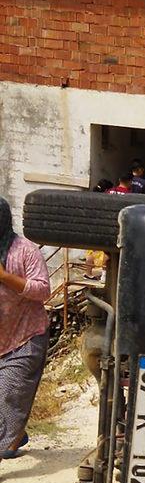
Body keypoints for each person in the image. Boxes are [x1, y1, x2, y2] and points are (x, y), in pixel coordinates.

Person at [0, 197, 51, 460]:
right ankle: (13, 436)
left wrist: (5, 277)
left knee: (6, 397)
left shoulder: (25, 250)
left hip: (24, 337)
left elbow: (43, 290)